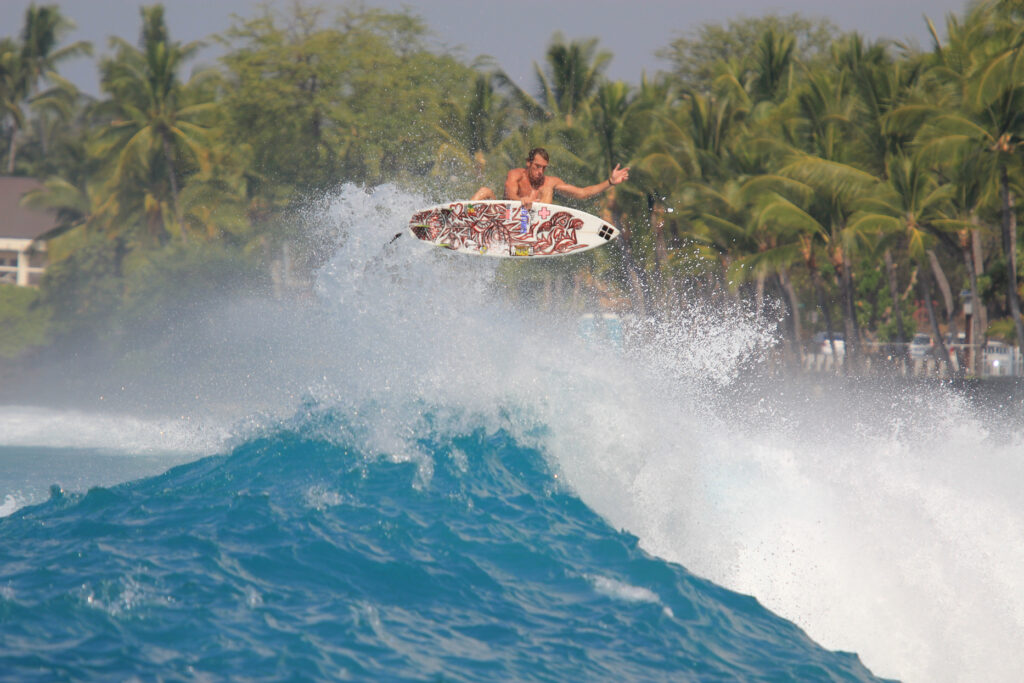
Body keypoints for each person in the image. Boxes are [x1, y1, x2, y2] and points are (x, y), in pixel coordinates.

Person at [471, 147, 629, 208]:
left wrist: (610, 182)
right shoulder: (516, 175)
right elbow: (510, 192)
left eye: (544, 168)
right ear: (528, 163)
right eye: (537, 167)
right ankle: (458, 223)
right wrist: (521, 201)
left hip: (534, 226)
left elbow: (582, 193)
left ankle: (541, 223)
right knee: (484, 191)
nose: (540, 172)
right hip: (505, 217)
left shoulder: (548, 182)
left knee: (547, 187)